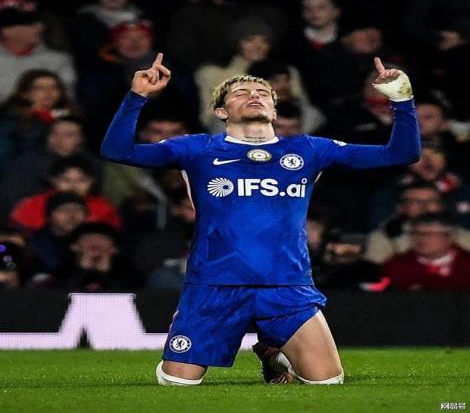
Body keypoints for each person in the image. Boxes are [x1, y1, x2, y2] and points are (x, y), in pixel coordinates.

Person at [101, 53, 420, 386]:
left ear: (274, 111)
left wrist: (401, 99)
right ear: (221, 111)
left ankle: (274, 353)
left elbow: (401, 153)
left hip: (287, 284)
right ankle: (250, 346)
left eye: (263, 93)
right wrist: (137, 96)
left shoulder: (310, 150)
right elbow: (117, 151)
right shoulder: (197, 149)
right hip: (215, 283)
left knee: (327, 383)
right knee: (177, 383)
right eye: (241, 92)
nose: (254, 95)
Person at [382, 212, 470, 291]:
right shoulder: (394, 267)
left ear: (450, 237)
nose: (421, 239)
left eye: (430, 234)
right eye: (415, 234)